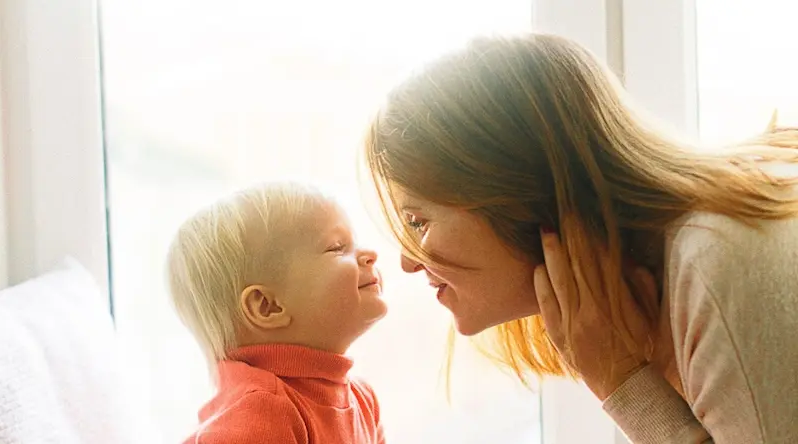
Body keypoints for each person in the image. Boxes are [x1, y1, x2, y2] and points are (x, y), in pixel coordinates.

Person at [362, 33, 798, 443]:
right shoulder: (678, 275)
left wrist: (623, 382)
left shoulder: (714, 264)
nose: (408, 261)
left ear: (518, 193)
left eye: (418, 222)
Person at [166, 182, 387, 444]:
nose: (370, 254)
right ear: (267, 307)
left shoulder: (363, 399)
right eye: (337, 247)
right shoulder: (260, 415)